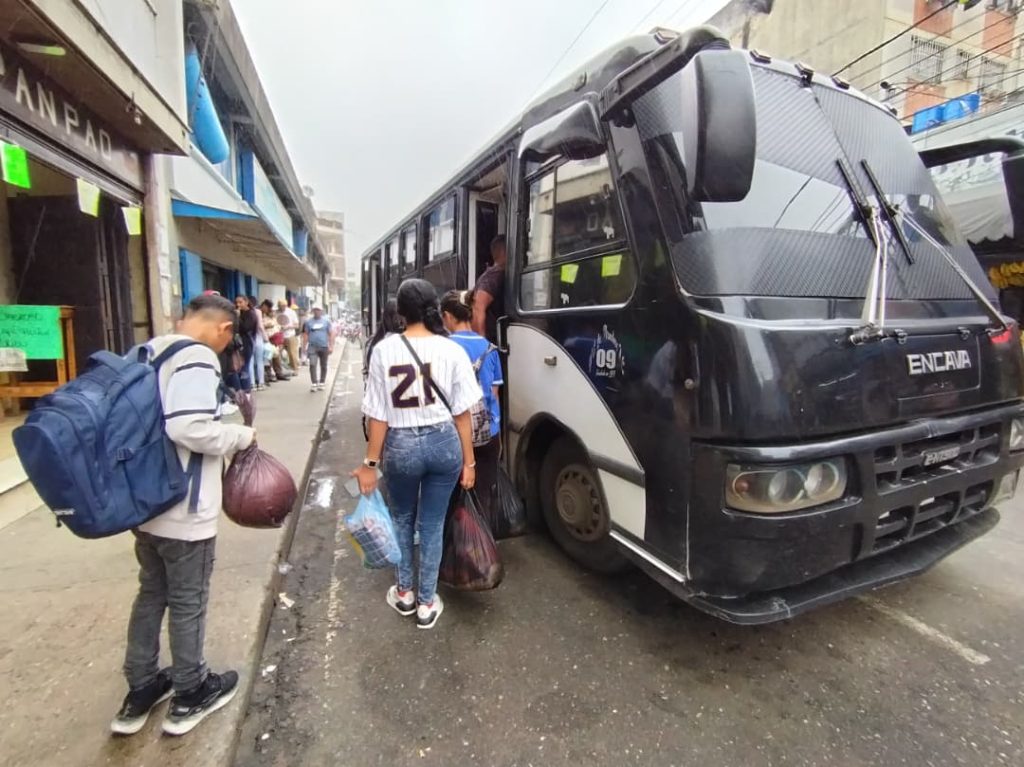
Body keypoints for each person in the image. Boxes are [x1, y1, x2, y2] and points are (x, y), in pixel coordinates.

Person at [112, 294, 255, 738]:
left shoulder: (148, 351)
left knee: (151, 594)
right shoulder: (196, 357)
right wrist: (240, 435)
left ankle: (140, 691)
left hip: (147, 501)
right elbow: (188, 426)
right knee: (188, 601)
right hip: (183, 503)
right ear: (225, 330)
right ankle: (191, 694)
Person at [353, 278, 481, 629]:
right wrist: (469, 462)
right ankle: (427, 603)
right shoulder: (452, 349)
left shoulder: (384, 350)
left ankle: (405, 592)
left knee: (402, 520)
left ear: (400, 313)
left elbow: (377, 415)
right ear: (434, 310)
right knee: (432, 524)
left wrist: (370, 464)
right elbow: (462, 414)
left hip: (402, 446)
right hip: (444, 444)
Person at [441, 290, 503, 513]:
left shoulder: (442, 348)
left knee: (453, 497)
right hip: (488, 432)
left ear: (448, 316)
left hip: (453, 433)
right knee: (484, 495)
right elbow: (493, 396)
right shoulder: (490, 348)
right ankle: (481, 542)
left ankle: (457, 543)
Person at [472, 234, 507, 342]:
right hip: (492, 340)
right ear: (503, 252)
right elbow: (478, 307)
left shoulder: (492, 274)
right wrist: (482, 343)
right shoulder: (494, 276)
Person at [301, 305, 335, 392]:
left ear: (321, 311)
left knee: (323, 365)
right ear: (313, 311)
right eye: (315, 310)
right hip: (312, 346)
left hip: (324, 346)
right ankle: (314, 383)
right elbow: (305, 334)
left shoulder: (326, 322)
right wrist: (304, 347)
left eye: (318, 310)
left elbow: (331, 333)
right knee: (312, 364)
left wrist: (331, 346)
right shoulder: (309, 322)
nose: (317, 312)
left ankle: (322, 382)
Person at [234, 295, 258, 392]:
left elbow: (246, 328)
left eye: (240, 302)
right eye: (237, 303)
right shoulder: (239, 313)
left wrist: (238, 317)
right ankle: (241, 388)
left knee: (245, 366)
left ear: (246, 302)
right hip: (238, 343)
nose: (238, 305)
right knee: (239, 366)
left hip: (247, 343)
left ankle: (246, 388)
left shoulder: (251, 314)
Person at [248, 295, 268, 391]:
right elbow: (260, 326)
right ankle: (260, 383)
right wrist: (266, 338)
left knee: (250, 361)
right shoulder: (258, 312)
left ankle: (252, 383)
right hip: (258, 338)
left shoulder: (244, 312)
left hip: (248, 339)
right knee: (260, 361)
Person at [276, 299, 300, 372]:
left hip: (290, 335)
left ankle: (295, 369)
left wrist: (288, 327)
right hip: (279, 335)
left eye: (284, 306)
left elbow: (296, 325)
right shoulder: (276, 312)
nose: (282, 307)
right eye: (281, 306)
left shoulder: (291, 312)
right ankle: (279, 370)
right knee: (277, 353)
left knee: (292, 354)